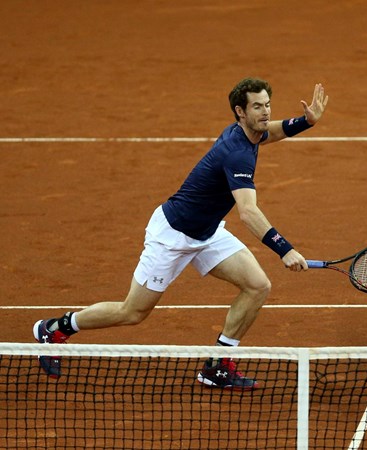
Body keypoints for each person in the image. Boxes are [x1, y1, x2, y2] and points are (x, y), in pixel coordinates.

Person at [33, 77, 329, 389]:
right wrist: (284, 249)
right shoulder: (236, 152)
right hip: (172, 236)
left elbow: (275, 130)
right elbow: (248, 212)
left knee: (257, 285)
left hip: (206, 232)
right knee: (132, 312)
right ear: (241, 112)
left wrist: (306, 122)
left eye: (268, 104)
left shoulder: (249, 133)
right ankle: (56, 327)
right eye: (258, 106)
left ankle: (217, 365)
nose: (266, 111)